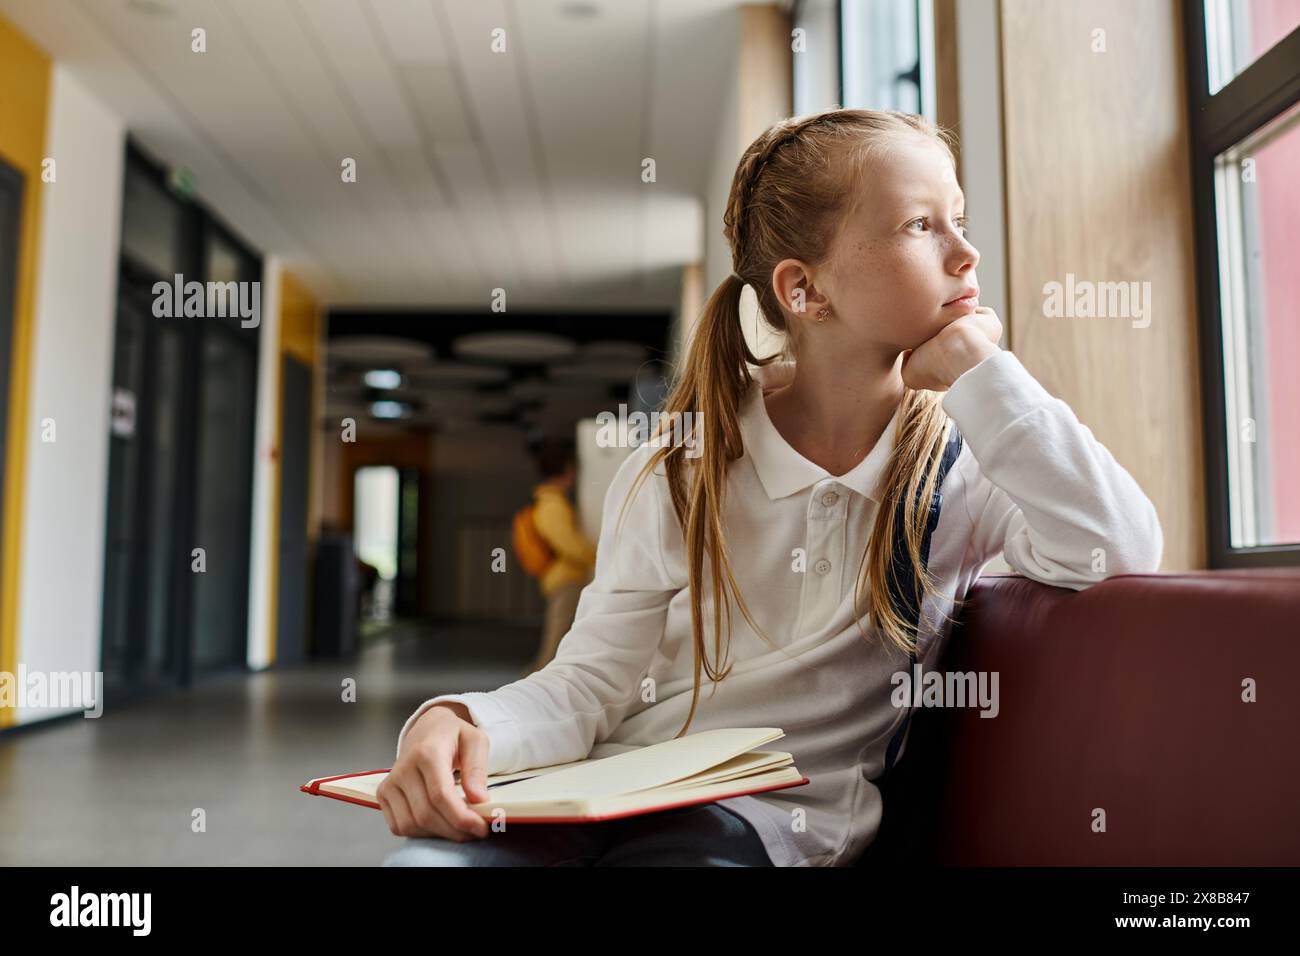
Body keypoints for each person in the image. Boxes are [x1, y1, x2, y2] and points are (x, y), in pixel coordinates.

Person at [379, 107, 1163, 867]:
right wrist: (458, 718)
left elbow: (1118, 549)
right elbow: (589, 684)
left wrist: (979, 371)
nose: (966, 254)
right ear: (803, 290)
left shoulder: (966, 464)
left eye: (958, 219)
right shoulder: (681, 467)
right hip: (603, 792)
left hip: (760, 828)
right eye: (921, 225)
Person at [522, 437, 596, 677]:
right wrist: (598, 555)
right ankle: (531, 691)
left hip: (563, 578)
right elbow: (568, 544)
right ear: (566, 470)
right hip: (566, 579)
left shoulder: (551, 502)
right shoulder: (552, 504)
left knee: (559, 639)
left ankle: (533, 689)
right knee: (555, 643)